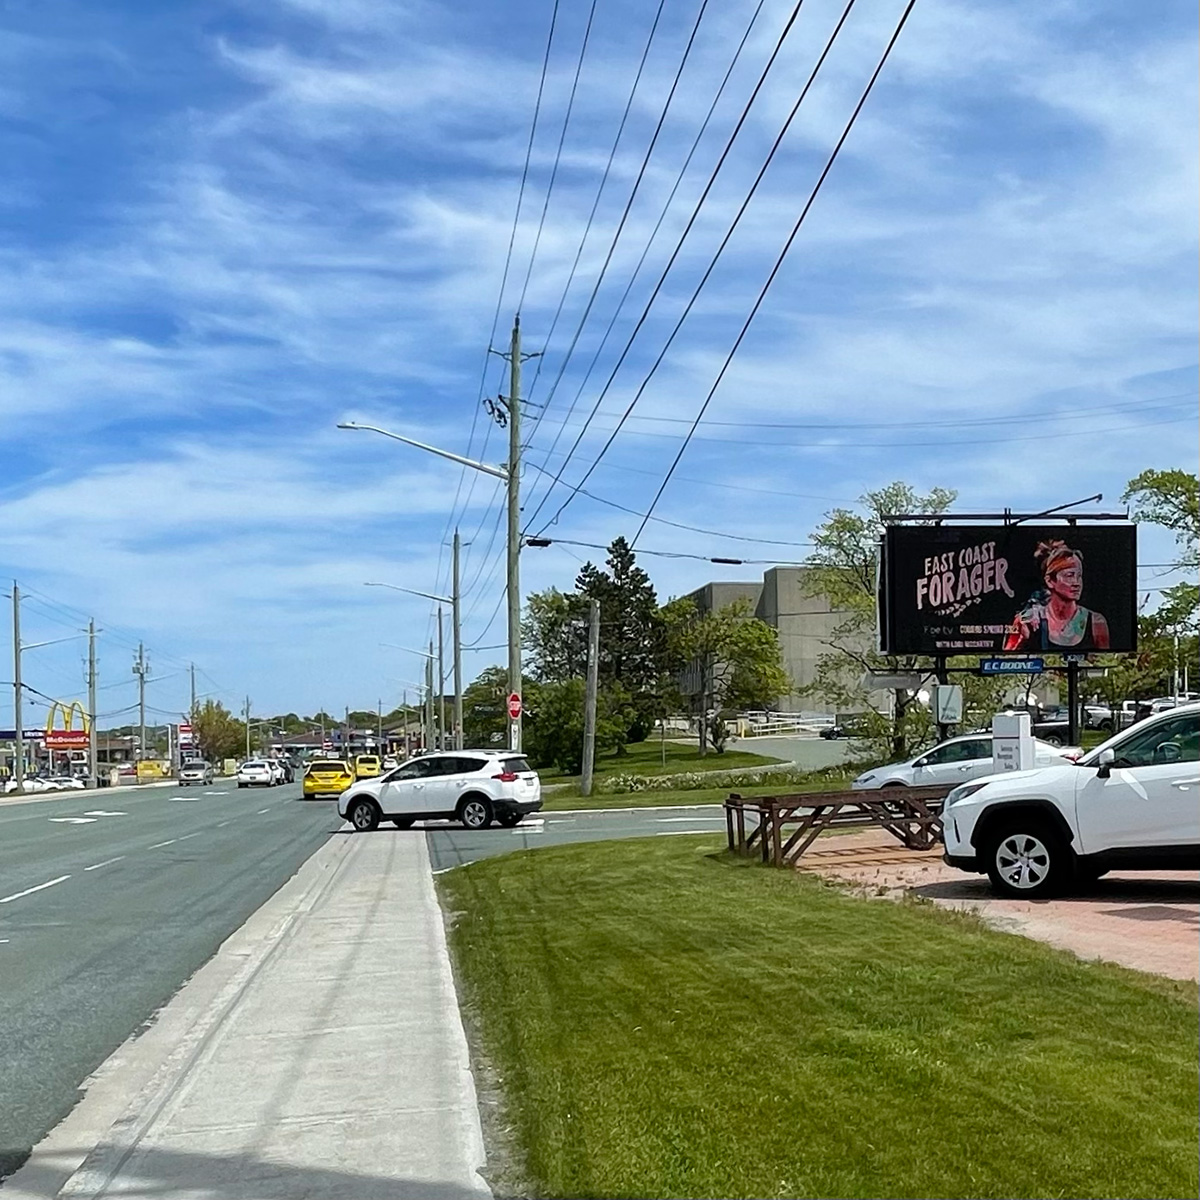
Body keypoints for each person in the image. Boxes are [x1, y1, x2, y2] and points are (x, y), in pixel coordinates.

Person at [1004, 539, 1110, 652]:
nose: (1076, 583)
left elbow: (1105, 660)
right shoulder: (1029, 619)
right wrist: (1022, 640)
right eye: (1069, 575)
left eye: (1079, 576)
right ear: (1050, 581)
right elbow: (1005, 658)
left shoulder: (1096, 622)